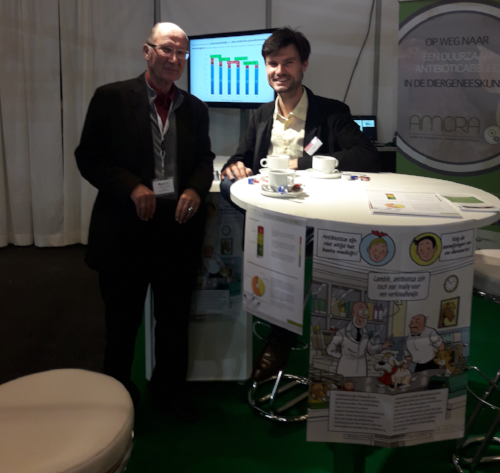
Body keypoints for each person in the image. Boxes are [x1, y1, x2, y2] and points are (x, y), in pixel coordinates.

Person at [220, 27, 379, 382]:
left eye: (288, 62)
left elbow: (367, 156)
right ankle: (277, 322)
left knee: (284, 253)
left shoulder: (330, 112)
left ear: (304, 64)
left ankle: (281, 336)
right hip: (269, 215)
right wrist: (236, 166)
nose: (279, 71)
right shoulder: (261, 115)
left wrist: (300, 164)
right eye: (272, 63)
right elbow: (240, 157)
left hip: (315, 218)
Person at [75, 22, 214, 422]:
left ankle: (169, 394)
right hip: (126, 228)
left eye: (182, 53)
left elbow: (204, 160)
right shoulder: (112, 98)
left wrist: (195, 189)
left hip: (177, 231)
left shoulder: (195, 108)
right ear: (147, 51)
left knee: (173, 322)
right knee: (122, 324)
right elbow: (89, 157)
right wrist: (132, 186)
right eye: (167, 49)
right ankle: (117, 399)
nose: (175, 59)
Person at [326, 302, 393, 377]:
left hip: (361, 367)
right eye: (360, 312)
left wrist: (382, 346)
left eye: (365, 313)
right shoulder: (341, 333)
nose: (362, 317)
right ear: (352, 313)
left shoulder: (365, 333)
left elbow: (370, 349)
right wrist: (344, 358)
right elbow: (330, 349)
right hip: (345, 367)